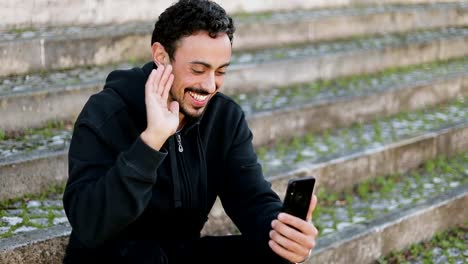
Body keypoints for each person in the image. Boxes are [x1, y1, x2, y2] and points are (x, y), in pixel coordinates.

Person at [62, 0, 318, 263]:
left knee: (274, 252)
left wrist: (286, 235)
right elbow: (89, 223)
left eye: (220, 71)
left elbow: (252, 199)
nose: (209, 85)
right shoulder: (107, 113)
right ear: (161, 56)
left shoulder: (224, 118)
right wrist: (151, 142)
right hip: (112, 257)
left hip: (180, 252)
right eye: (198, 69)